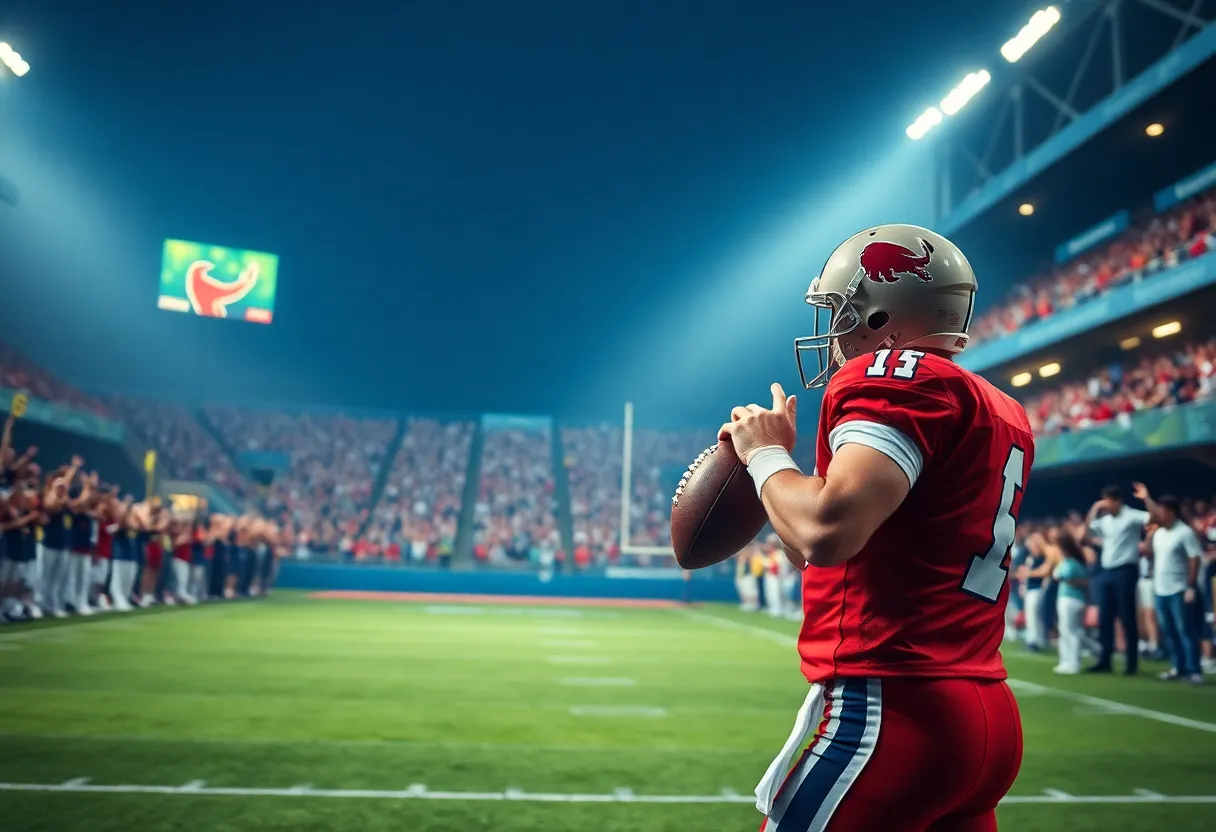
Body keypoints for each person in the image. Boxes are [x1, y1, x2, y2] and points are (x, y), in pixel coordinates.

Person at [721, 225, 1031, 832]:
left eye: (840, 313)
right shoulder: (996, 404)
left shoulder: (895, 373)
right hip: (981, 712)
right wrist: (779, 473)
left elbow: (826, 532)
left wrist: (763, 456)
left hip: (894, 709)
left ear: (880, 311)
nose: (832, 332)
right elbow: (818, 553)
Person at [1085, 483, 1153, 674]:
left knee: (1127, 617)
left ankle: (1132, 664)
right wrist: (1094, 509)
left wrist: (1146, 498)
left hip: (1125, 570)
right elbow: (1088, 529)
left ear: (1118, 501)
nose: (1106, 504)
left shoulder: (1131, 515)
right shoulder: (1105, 520)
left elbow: (1154, 518)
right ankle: (1105, 660)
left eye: (1108, 501)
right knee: (1105, 617)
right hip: (1107, 571)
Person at [1148, 494, 1204, 684]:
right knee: (1168, 630)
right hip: (1160, 589)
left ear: (1171, 511)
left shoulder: (1184, 532)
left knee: (1185, 630)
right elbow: (1148, 553)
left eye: (1161, 511)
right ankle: (1177, 666)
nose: (1158, 514)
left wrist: (1190, 586)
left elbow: (1194, 559)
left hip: (1178, 589)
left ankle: (1193, 669)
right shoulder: (1159, 533)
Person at [1051, 528, 1091, 675]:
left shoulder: (1072, 563)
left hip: (1071, 599)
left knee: (1071, 632)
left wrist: (1068, 580)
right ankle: (1066, 661)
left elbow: (1083, 581)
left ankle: (1073, 663)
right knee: (1065, 631)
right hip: (1067, 598)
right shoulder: (1070, 561)